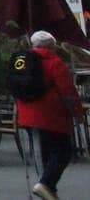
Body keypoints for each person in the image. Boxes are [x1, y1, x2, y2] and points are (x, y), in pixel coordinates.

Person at [17, 30, 84, 200]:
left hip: (27, 114)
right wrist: (77, 113)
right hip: (51, 115)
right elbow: (68, 92)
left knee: (43, 152)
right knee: (63, 151)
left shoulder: (22, 62)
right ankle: (45, 184)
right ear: (51, 46)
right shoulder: (54, 62)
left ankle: (48, 189)